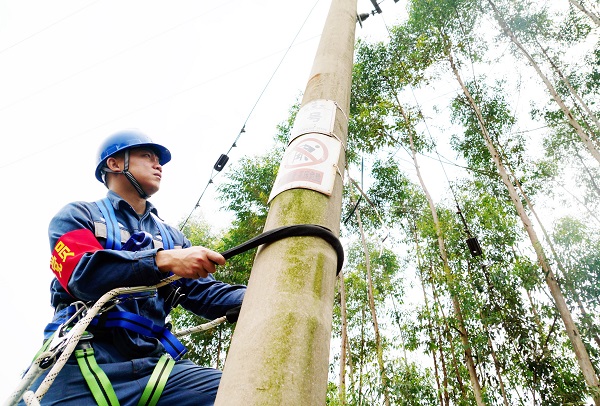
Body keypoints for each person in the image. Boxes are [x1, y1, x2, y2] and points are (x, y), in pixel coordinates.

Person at [27, 129, 245, 405]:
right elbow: (81, 274)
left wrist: (262, 297)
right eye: (147, 156)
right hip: (79, 357)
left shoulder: (172, 238)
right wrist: (161, 260)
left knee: (241, 391)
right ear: (114, 164)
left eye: (159, 161)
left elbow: (203, 293)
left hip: (155, 366)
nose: (158, 165)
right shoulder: (77, 216)